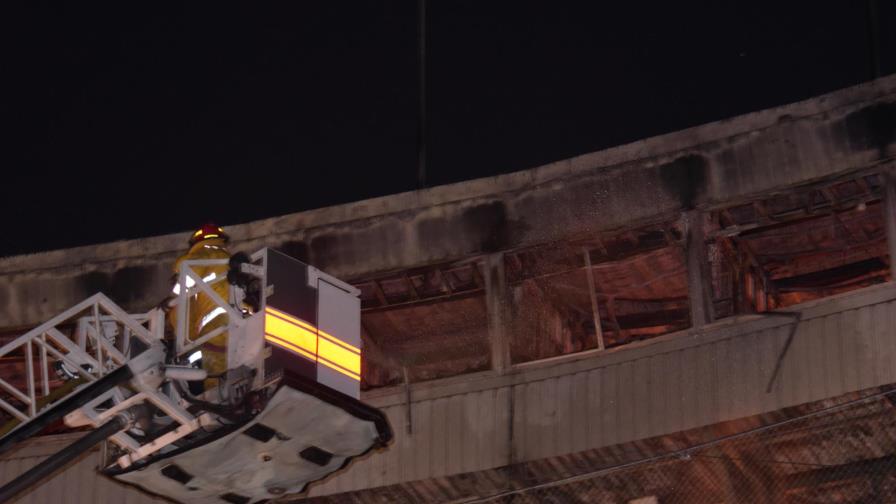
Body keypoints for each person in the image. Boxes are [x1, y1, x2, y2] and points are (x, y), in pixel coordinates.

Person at [166, 223, 231, 391]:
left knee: (213, 362)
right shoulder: (225, 258)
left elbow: (187, 274)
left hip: (220, 319)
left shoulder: (205, 252)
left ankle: (214, 393)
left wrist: (171, 295)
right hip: (237, 316)